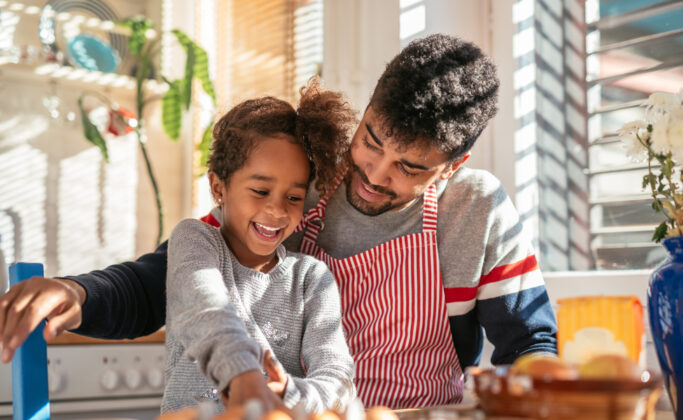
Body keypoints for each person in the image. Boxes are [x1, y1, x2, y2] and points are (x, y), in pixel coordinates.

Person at [0, 34, 557, 409]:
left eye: (409, 168)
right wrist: (80, 293)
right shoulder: (301, 185)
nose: (373, 174)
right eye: (371, 140)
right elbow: (177, 278)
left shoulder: (476, 209)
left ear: (452, 166)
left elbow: (530, 341)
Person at [161, 80, 356, 413]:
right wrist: (244, 376)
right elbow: (207, 309)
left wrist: (290, 393)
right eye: (260, 191)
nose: (278, 211)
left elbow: (337, 377)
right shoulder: (194, 241)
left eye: (293, 197)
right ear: (218, 187)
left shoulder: (310, 278)